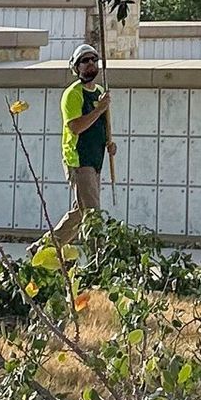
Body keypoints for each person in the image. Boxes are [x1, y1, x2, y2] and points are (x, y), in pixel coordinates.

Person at [57, 40, 113, 247]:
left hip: (95, 159)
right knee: (92, 215)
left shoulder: (99, 92)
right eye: (85, 61)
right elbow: (76, 127)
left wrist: (109, 143)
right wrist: (99, 109)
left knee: (80, 213)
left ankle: (43, 249)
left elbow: (101, 125)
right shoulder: (73, 94)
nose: (90, 64)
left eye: (94, 60)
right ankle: (96, 260)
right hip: (79, 160)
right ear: (76, 67)